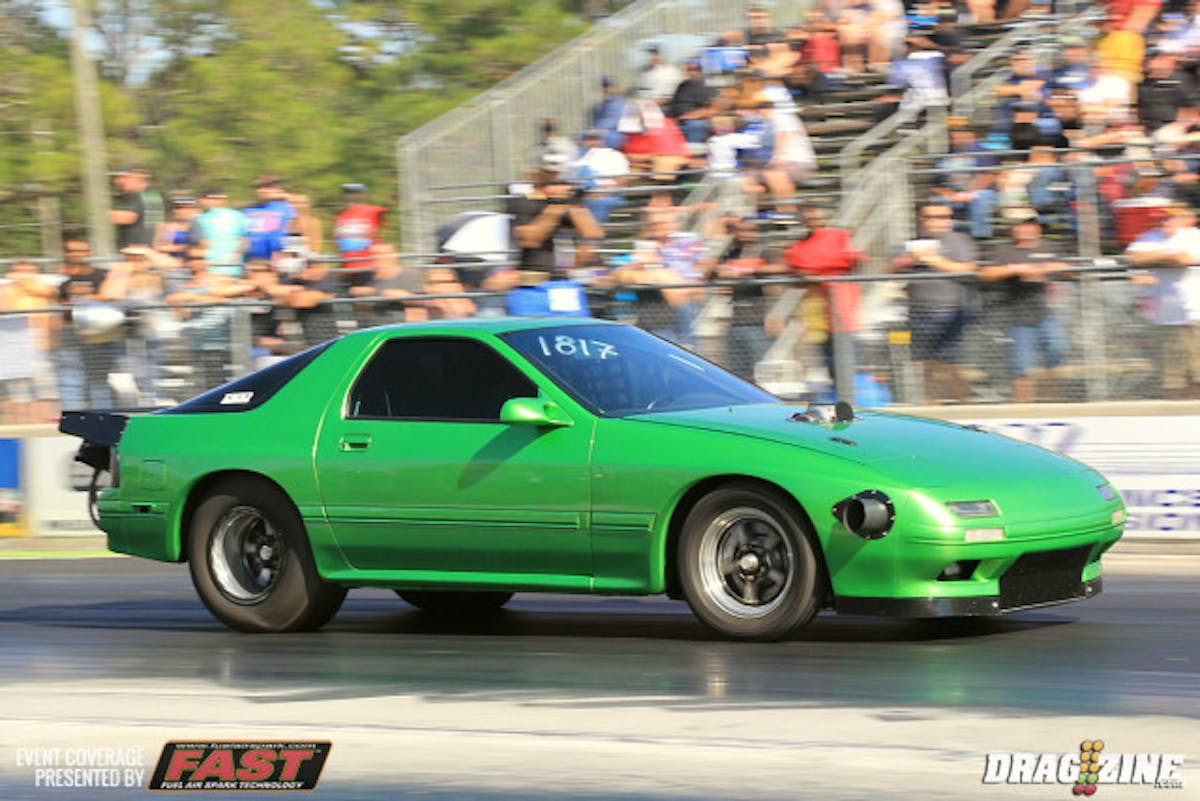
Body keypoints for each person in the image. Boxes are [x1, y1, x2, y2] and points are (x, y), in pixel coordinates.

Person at [891, 203, 981, 404]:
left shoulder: (959, 241)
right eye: (930, 217)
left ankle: (963, 400)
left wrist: (934, 261)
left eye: (942, 217)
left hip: (950, 309)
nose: (936, 221)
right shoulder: (912, 243)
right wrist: (906, 261)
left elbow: (969, 269)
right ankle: (931, 401)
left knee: (949, 362)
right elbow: (890, 269)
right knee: (925, 362)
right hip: (919, 309)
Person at [979, 212, 1072, 403]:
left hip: (1048, 315)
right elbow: (987, 273)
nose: (1023, 229)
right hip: (1017, 318)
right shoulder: (1003, 250)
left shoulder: (1050, 247)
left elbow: (1070, 268)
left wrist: (1046, 268)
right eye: (1019, 225)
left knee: (1056, 354)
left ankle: (1054, 404)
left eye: (1028, 224)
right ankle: (1023, 409)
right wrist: (1017, 269)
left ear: (1037, 228)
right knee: (1022, 367)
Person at [785, 203, 864, 389]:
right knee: (828, 356)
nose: (813, 222)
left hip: (842, 304)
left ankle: (850, 395)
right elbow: (795, 275)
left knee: (847, 353)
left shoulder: (839, 237)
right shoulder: (797, 247)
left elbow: (855, 263)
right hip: (816, 307)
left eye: (816, 218)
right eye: (808, 219)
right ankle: (840, 394)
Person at [1125, 205, 1200, 398]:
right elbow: (1133, 258)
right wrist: (1168, 256)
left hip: (1194, 314)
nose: (1163, 223)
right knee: (1171, 376)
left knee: (1196, 373)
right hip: (1165, 317)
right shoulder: (1149, 237)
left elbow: (1183, 260)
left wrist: (1155, 258)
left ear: (1179, 219)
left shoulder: (1193, 236)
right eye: (1160, 219)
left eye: (1168, 219)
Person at [505, 152, 604, 278]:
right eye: (555, 179)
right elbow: (529, 240)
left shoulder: (570, 200)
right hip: (535, 273)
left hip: (570, 273)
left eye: (563, 179)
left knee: (601, 276)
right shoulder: (523, 200)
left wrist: (577, 263)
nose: (563, 185)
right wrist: (557, 207)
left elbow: (593, 234)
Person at [716, 218, 786, 381]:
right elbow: (715, 270)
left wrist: (747, 270)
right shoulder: (732, 253)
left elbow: (781, 268)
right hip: (735, 321)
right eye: (740, 230)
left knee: (762, 373)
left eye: (750, 230)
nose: (745, 234)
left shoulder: (764, 251)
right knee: (739, 375)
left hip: (758, 323)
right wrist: (724, 274)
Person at [0, 259, 59, 423]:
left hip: (40, 345)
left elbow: (52, 294)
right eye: (20, 270)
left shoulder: (43, 288)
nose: (24, 274)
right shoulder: (6, 290)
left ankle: (45, 423)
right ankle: (21, 425)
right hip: (15, 348)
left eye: (29, 270)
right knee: (19, 391)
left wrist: (26, 284)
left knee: (45, 389)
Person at [333, 183, 387, 288]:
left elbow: (379, 232)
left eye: (357, 193)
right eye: (349, 193)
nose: (353, 196)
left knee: (364, 297)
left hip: (367, 265)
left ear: (363, 195)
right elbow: (338, 239)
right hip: (347, 264)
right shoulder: (341, 215)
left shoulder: (373, 211)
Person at [191, 190, 248, 276]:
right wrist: (236, 256)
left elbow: (244, 240)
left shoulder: (200, 218)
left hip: (214, 268)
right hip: (230, 266)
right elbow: (244, 240)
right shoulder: (239, 215)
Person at [242, 175, 296, 264]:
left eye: (268, 187)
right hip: (252, 264)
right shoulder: (247, 210)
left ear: (278, 189)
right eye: (259, 187)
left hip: (281, 263)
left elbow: (298, 233)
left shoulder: (288, 208)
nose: (263, 190)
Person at [110, 167, 164, 249]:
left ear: (136, 176)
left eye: (122, 177)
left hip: (140, 252)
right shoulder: (132, 196)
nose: (117, 181)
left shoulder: (148, 195)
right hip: (133, 251)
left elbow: (126, 218)